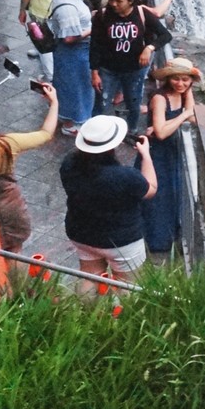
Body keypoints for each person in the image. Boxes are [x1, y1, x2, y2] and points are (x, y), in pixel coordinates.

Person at [60, 113, 156, 289]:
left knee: (89, 277)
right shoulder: (125, 176)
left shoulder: (69, 163)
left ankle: (85, 313)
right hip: (121, 241)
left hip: (81, 233)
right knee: (127, 285)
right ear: (115, 144)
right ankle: (120, 315)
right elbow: (150, 189)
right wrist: (146, 156)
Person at [0, 79, 57, 252]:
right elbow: (45, 133)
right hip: (8, 208)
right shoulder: (7, 144)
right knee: (13, 253)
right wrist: (54, 103)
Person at [89, 0, 170, 132]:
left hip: (134, 70)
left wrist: (149, 48)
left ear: (130, 1)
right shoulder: (103, 15)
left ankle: (131, 131)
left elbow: (165, 35)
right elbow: (95, 45)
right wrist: (94, 72)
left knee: (134, 103)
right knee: (102, 104)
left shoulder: (141, 13)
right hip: (108, 69)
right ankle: (97, 133)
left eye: (119, 1)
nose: (113, 4)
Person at [141, 57, 199, 253]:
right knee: (157, 196)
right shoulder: (159, 98)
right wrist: (182, 115)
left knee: (172, 194)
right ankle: (156, 241)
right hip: (156, 154)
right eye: (176, 79)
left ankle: (171, 235)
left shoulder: (183, 93)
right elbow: (161, 132)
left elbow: (193, 117)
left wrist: (188, 97)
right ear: (168, 79)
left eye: (185, 79)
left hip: (171, 152)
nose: (180, 84)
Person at [48, 0, 95, 135]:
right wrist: (93, 28)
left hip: (76, 51)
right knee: (75, 85)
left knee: (75, 84)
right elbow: (69, 38)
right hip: (74, 52)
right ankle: (73, 123)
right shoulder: (67, 7)